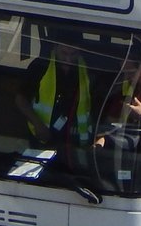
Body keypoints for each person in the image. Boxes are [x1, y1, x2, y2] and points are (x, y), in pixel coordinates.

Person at [14, 33, 95, 168]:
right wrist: (38, 125)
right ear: (55, 48)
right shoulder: (40, 66)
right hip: (43, 135)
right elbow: (20, 99)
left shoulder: (87, 68)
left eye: (73, 54)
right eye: (64, 53)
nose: (68, 59)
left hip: (75, 138)